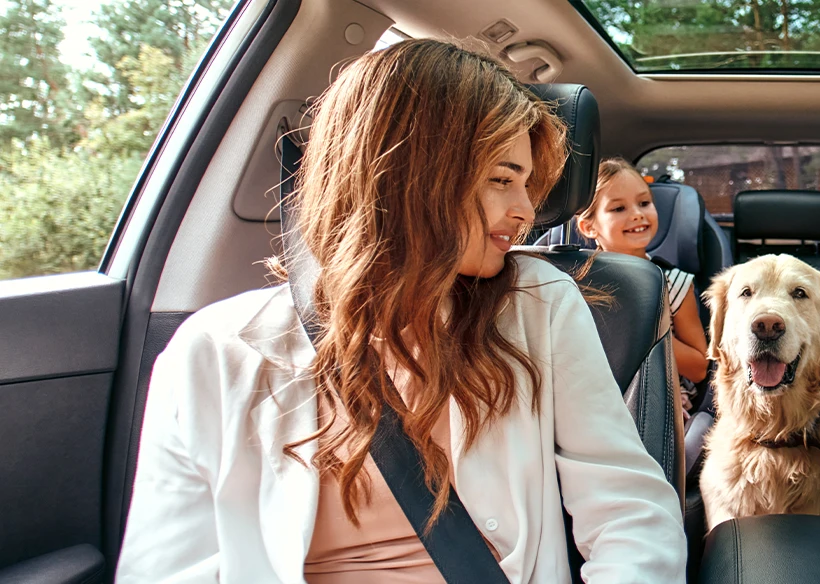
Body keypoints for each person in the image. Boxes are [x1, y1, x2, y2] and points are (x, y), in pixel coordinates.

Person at [116, 39, 686, 583]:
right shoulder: (215, 352)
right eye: (501, 180)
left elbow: (627, 508)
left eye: (528, 185)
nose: (526, 211)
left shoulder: (537, 303)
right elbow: (169, 568)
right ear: (408, 176)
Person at [576, 158, 710, 424]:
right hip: (590, 398)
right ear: (589, 226)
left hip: (658, 398)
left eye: (644, 203)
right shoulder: (576, 285)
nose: (637, 214)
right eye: (618, 208)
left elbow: (698, 368)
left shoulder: (675, 284)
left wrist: (639, 327)